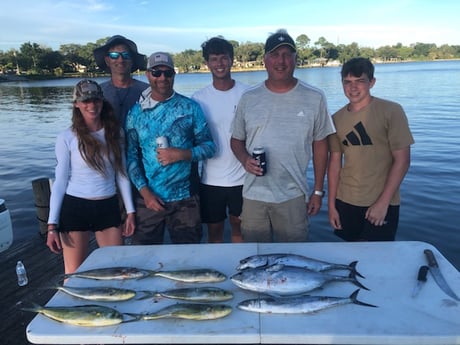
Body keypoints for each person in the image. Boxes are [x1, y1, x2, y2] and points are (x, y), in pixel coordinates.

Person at [230, 29, 335, 242]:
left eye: (288, 54)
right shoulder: (249, 98)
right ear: (265, 60)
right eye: (275, 55)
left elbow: (321, 144)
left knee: (294, 259)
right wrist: (244, 160)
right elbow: (236, 140)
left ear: (296, 59)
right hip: (253, 196)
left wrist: (317, 191)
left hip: (293, 196)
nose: (281, 61)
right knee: (256, 258)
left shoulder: (314, 97)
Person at [46, 79, 136, 274]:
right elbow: (60, 183)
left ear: (102, 102)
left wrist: (130, 212)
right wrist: (52, 225)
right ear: (76, 104)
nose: (91, 105)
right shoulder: (66, 137)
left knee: (116, 268)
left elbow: (122, 174)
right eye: (85, 101)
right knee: (74, 271)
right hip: (75, 207)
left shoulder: (115, 133)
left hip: (108, 206)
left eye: (95, 100)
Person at [126, 52, 215, 244]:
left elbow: (209, 147)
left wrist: (183, 154)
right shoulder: (136, 113)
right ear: (148, 74)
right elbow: (131, 157)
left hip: (186, 200)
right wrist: (145, 193)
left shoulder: (190, 107)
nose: (162, 78)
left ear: (174, 75)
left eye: (168, 73)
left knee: (188, 259)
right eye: (156, 73)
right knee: (143, 257)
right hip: (149, 199)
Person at [327, 57, 414, 241]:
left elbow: (403, 160)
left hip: (381, 202)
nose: (353, 87)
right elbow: (334, 164)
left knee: (377, 260)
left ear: (372, 82)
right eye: (347, 82)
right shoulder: (335, 119)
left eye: (360, 81)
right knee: (348, 258)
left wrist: (383, 203)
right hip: (345, 201)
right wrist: (332, 205)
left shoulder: (391, 111)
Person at [192, 37, 249, 243]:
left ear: (232, 60)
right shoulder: (198, 99)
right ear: (207, 63)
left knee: (239, 230)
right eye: (214, 59)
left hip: (243, 178)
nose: (219, 64)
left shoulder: (247, 93)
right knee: (214, 233)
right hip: (210, 180)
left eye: (224, 58)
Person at [93, 35, 149, 126]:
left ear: (132, 60)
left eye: (125, 55)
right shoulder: (97, 92)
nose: (120, 60)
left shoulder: (147, 92)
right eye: (114, 55)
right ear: (107, 61)